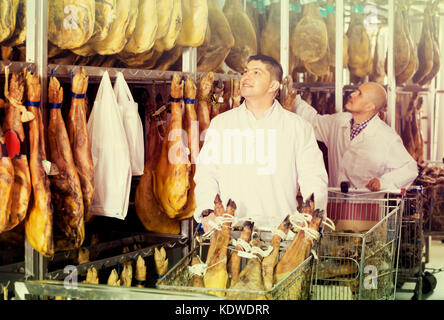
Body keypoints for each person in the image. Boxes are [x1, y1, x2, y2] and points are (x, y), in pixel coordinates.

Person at [193, 55, 328, 232]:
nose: (246, 77)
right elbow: (206, 173)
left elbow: (313, 177)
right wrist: (208, 211)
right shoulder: (222, 124)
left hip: (280, 232)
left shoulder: (298, 127)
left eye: (256, 73)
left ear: (273, 85)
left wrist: (311, 217)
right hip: (229, 231)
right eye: (245, 72)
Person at [292, 82, 418, 191]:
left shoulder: (386, 137)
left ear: (370, 106)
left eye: (359, 94)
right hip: (336, 205)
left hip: (366, 209)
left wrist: (383, 182)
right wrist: (294, 98)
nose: (352, 94)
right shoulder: (339, 122)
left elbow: (409, 169)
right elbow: (312, 121)